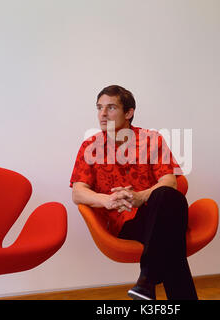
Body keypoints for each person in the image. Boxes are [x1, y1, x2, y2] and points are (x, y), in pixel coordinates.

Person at [70, 85, 198, 300]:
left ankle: (146, 281)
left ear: (128, 113)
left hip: (158, 211)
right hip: (128, 224)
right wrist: (108, 200)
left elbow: (169, 181)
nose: (102, 114)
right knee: (170, 235)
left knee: (166, 196)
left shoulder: (152, 139)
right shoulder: (89, 146)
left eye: (110, 108)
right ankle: (147, 282)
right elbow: (78, 192)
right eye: (99, 108)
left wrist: (141, 197)